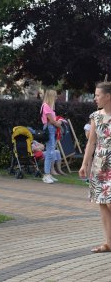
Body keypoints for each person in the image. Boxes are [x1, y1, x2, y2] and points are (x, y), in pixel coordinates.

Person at [79, 82, 111, 253]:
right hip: (99, 165)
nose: (95, 98)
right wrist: (85, 164)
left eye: (98, 95)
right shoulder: (95, 116)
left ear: (108, 96)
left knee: (110, 201)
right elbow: (91, 142)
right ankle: (109, 243)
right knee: (103, 204)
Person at [40, 89, 63, 184]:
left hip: (51, 129)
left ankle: (48, 174)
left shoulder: (48, 106)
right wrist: (60, 124)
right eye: (55, 96)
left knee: (51, 152)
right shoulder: (46, 106)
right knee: (50, 153)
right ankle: (46, 175)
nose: (56, 98)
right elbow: (52, 121)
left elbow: (53, 120)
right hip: (50, 129)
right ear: (51, 97)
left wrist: (57, 123)